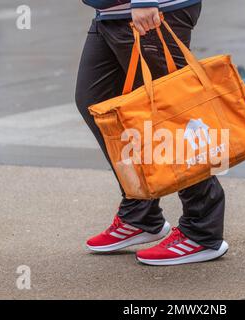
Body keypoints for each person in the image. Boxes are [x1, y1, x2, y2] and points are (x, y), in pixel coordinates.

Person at [75, 0, 228, 266]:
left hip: (152, 10)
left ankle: (202, 230)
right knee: (96, 103)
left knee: (171, 113)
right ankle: (140, 211)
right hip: (110, 13)